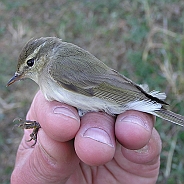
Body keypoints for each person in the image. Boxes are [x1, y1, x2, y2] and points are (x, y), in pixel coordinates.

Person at [11, 90, 161, 184]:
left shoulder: (56, 70)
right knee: (62, 120)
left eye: (30, 63)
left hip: (112, 102)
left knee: (64, 120)